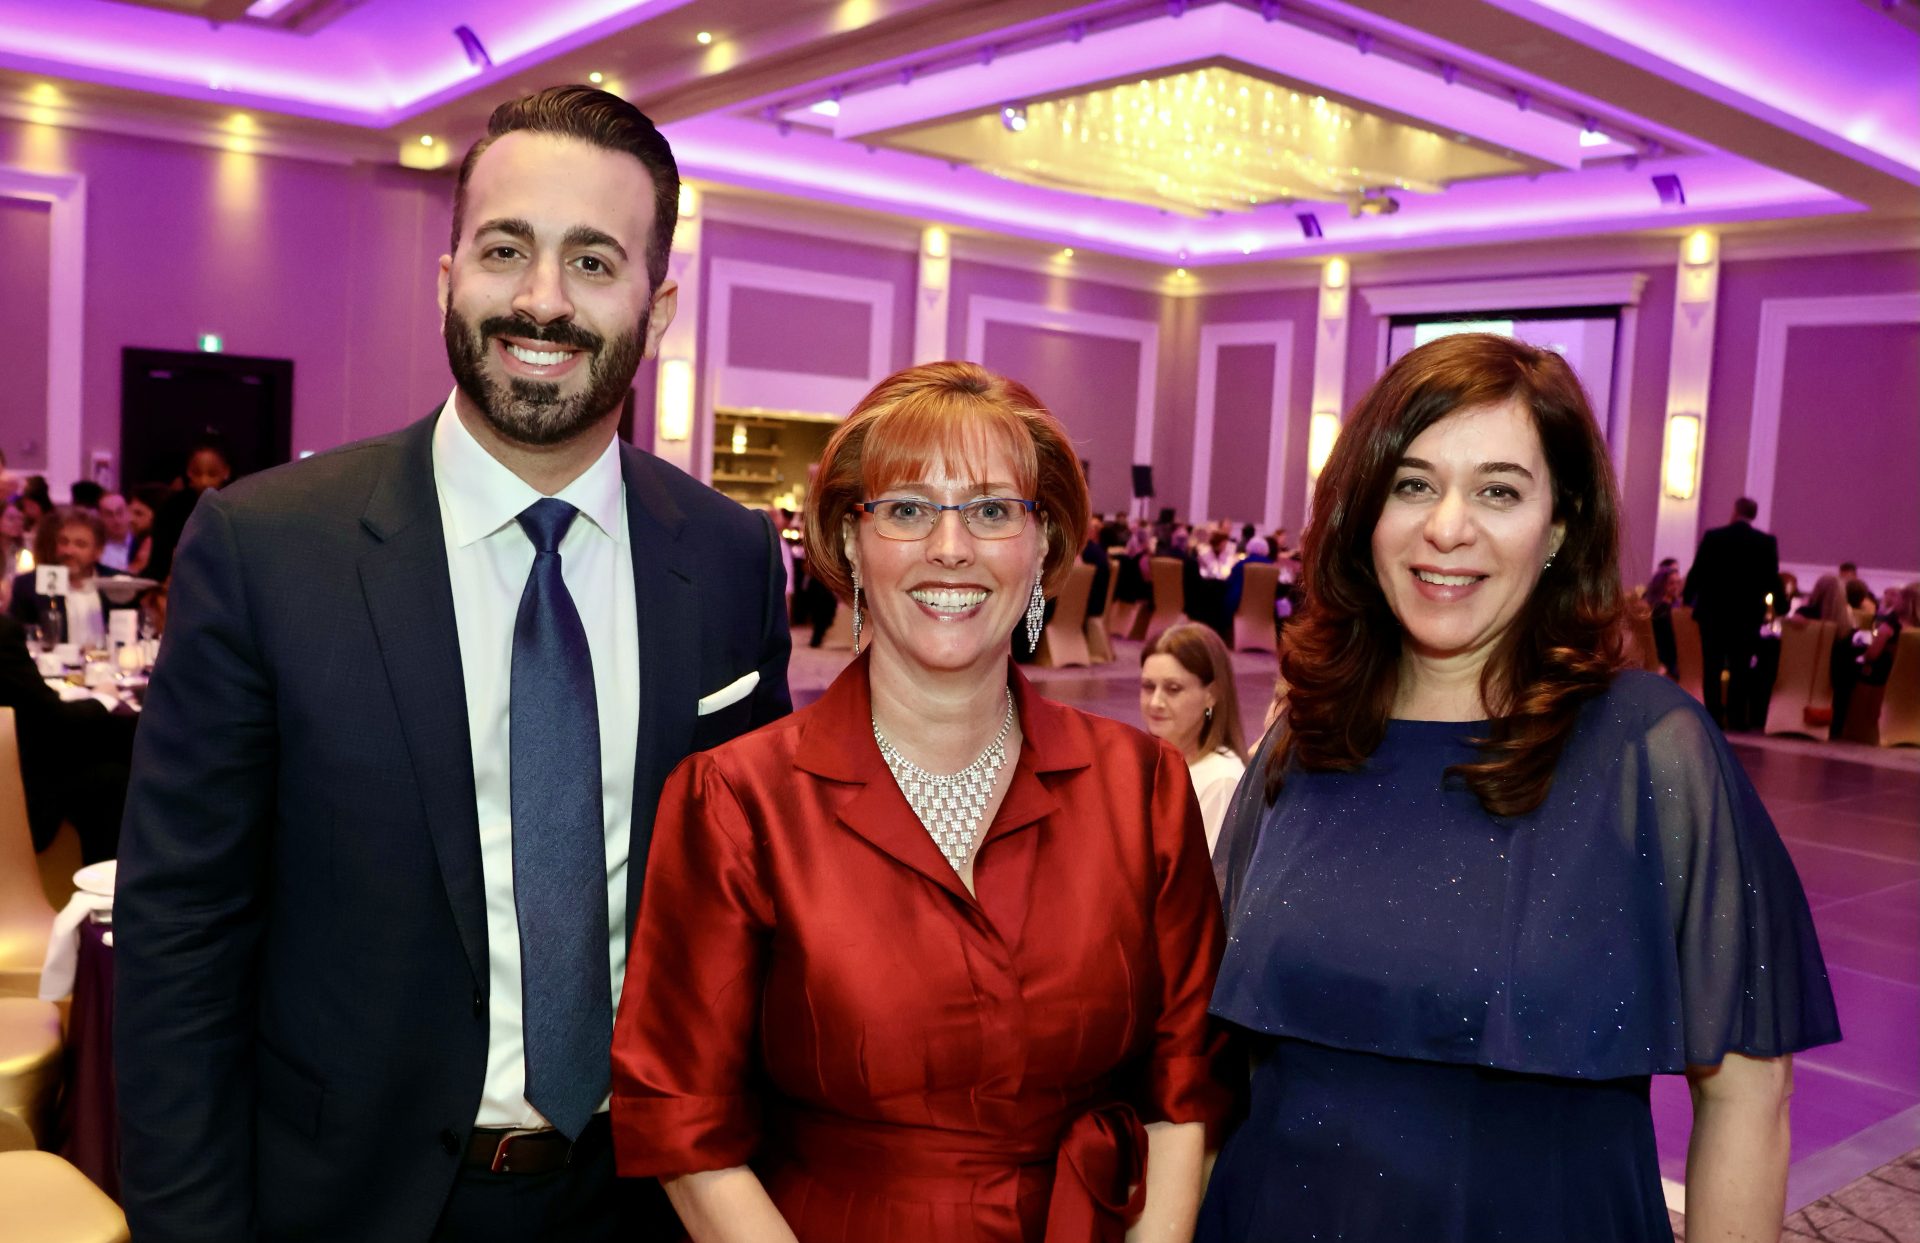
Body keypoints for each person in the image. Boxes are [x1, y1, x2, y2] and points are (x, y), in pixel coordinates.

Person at [114, 85, 792, 1243]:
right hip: (350, 1201)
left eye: (593, 261)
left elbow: (754, 907)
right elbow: (181, 933)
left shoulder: (729, 561)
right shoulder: (268, 549)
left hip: (648, 1197)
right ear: (447, 278)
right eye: (505, 249)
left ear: (659, 305)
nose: (542, 299)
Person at [1200, 334, 1836, 1243]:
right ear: (1365, 511)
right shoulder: (1301, 743)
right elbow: (1213, 1071)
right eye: (1412, 484)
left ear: (1561, 526)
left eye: (1498, 491)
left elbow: (1747, 1095)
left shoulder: (1647, 752)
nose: (1447, 527)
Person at [612, 361, 1234, 1243]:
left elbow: (1187, 1083)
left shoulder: (1144, 789)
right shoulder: (737, 802)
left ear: (1044, 545)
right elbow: (685, 1121)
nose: (951, 546)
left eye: (992, 510)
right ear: (851, 543)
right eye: (906, 510)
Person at [0, 613, 136, 862]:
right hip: (14, 795)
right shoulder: (3, 632)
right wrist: (103, 699)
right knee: (116, 773)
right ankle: (108, 880)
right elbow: (51, 722)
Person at [1139, 622, 1247, 853]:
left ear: (1211, 695)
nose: (1155, 702)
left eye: (1173, 689)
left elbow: (1207, 873)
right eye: (1148, 687)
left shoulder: (1221, 780)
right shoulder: (1144, 762)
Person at [1683, 497, 1780, 729]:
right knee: (1741, 667)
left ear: (1735, 511)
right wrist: (1783, 606)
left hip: (1713, 614)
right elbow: (1772, 579)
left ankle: (1712, 717)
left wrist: (1687, 598)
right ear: (1754, 515)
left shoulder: (1714, 537)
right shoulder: (1765, 542)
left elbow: (1698, 572)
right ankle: (1736, 719)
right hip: (1747, 617)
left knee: (1712, 666)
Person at [9, 506, 132, 647]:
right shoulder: (29, 585)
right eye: (64, 542)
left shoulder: (119, 583)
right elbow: (16, 640)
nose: (69, 551)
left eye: (80, 544)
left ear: (98, 551)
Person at [1830, 585, 1908, 739]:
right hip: (1908, 679)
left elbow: (1872, 655)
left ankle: (1841, 724)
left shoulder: (1890, 624)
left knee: (1845, 670)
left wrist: (1862, 657)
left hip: (1883, 675)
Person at [96, 490, 136, 571]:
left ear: (128, 513)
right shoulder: (96, 550)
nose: (116, 520)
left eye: (120, 512)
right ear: (100, 518)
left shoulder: (142, 544)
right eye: (109, 515)